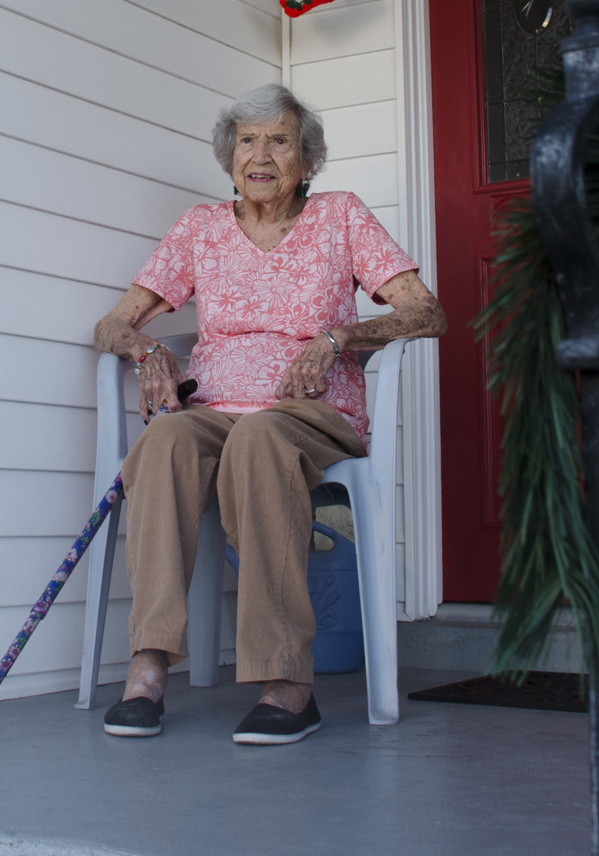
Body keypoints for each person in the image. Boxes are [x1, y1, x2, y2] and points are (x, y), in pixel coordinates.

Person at [92, 84, 446, 745]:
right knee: (166, 439)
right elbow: (111, 325)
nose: (262, 155)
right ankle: (147, 666)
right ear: (229, 158)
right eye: (247, 142)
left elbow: (427, 312)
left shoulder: (340, 216)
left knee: (258, 436)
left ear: (305, 159)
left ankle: (288, 684)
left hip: (310, 412)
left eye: (280, 141)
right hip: (214, 406)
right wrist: (146, 352)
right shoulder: (199, 228)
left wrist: (342, 337)